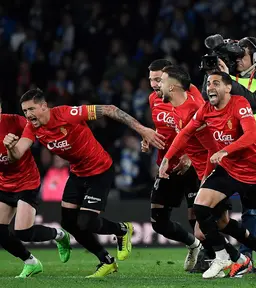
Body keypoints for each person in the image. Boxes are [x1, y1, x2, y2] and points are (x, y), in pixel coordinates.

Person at [160, 71, 256, 280]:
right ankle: (222, 256)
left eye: (216, 83)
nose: (210, 87)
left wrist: (225, 150)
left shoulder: (239, 104)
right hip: (228, 169)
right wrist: (168, 157)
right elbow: (186, 132)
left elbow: (251, 135)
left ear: (228, 88)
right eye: (209, 83)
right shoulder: (206, 109)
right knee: (201, 206)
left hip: (254, 174)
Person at [3, 88, 165, 278]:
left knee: (86, 222)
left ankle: (122, 229)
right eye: (25, 111)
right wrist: (10, 148)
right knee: (69, 223)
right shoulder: (32, 128)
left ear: (44, 106)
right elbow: (18, 153)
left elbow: (109, 109)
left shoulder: (66, 114)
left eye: (31, 109)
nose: (28, 115)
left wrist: (143, 130)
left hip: (100, 170)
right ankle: (106, 261)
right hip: (78, 173)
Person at [159, 65, 256, 278]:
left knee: (202, 230)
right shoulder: (181, 104)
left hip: (214, 171)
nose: (158, 85)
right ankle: (246, 258)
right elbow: (184, 135)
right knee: (221, 222)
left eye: (162, 81)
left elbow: (213, 147)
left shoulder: (192, 109)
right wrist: (168, 158)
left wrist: (206, 178)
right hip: (203, 171)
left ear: (173, 86)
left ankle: (234, 260)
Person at [206, 36, 256, 268]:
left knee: (252, 209)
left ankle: (247, 255)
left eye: (242, 56)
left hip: (255, 150)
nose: (237, 61)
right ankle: (227, 255)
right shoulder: (224, 78)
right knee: (216, 207)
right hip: (224, 151)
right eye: (234, 56)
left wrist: (227, 80)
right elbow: (208, 101)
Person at [0, 98, 70, 278]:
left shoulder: (15, 121)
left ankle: (59, 235)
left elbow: (40, 129)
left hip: (26, 181)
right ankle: (31, 262)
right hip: (4, 183)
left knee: (23, 231)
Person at [144, 59, 203, 272]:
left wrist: (189, 154)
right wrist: (149, 136)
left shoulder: (192, 93)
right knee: (158, 222)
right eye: (151, 80)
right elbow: (162, 126)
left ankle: (210, 255)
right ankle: (193, 245)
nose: (153, 84)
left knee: (196, 213)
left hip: (192, 164)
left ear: (170, 80)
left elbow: (200, 125)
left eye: (158, 80)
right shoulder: (154, 98)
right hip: (166, 165)